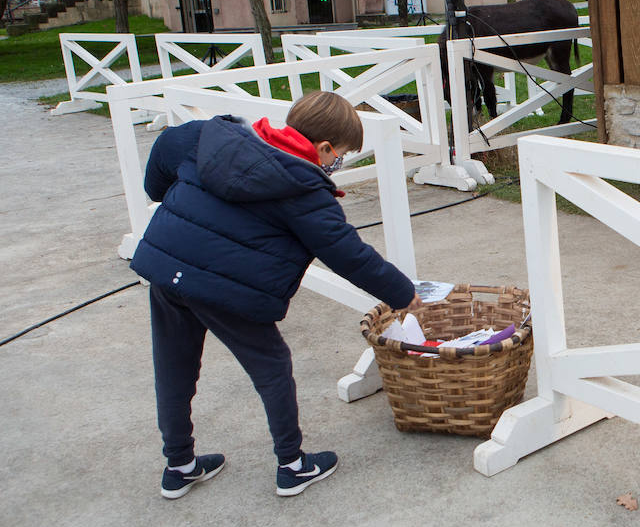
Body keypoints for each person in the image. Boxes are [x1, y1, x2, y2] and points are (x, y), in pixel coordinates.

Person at [131, 91, 423, 499]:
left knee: (173, 367)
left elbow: (164, 151)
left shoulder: (211, 136)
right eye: (339, 156)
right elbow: (349, 255)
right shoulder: (304, 189)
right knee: (272, 366)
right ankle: (292, 464)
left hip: (167, 266)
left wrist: (174, 200)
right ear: (324, 148)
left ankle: (178, 465)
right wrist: (404, 294)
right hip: (223, 287)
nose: (336, 164)